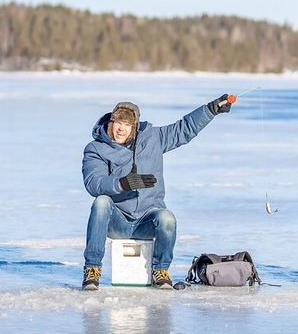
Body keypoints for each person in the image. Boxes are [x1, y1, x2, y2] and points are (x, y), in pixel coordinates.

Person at [81, 95, 232, 290]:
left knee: (167, 218)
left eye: (127, 124)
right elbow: (93, 183)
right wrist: (122, 184)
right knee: (101, 202)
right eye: (118, 122)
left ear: (134, 126)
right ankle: (92, 269)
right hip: (116, 221)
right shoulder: (96, 149)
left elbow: (184, 128)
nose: (121, 128)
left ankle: (160, 270)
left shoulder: (153, 138)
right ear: (111, 121)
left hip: (147, 220)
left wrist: (211, 109)